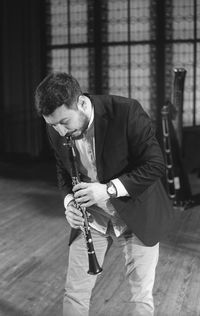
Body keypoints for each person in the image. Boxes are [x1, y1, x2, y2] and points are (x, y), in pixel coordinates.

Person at [35, 72, 173, 316]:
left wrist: (107, 189)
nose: (60, 131)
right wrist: (69, 203)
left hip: (136, 210)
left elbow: (155, 165)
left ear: (81, 103)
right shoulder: (57, 128)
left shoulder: (126, 111)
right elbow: (63, 171)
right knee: (74, 294)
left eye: (64, 122)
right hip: (92, 217)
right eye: (52, 125)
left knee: (140, 297)